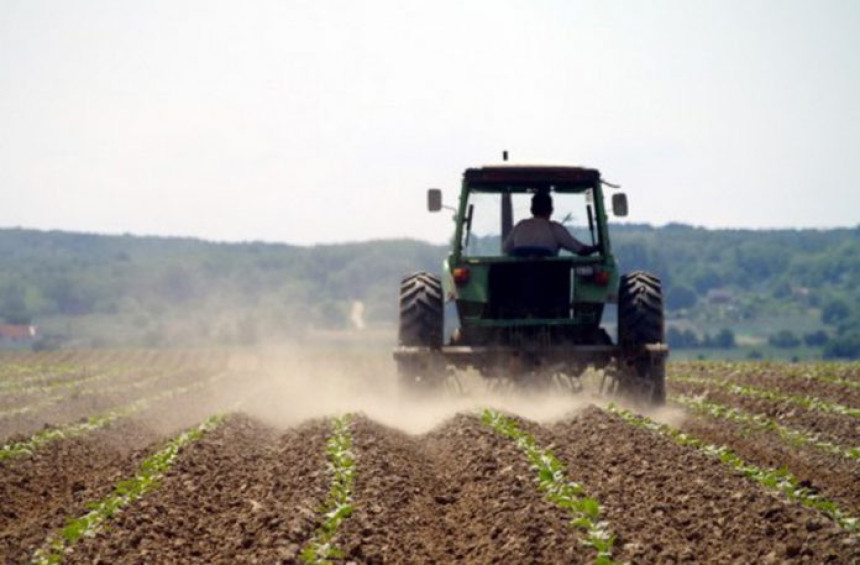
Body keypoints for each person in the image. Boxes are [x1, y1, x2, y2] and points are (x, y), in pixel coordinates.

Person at [502, 192, 598, 256]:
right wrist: (598, 247)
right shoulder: (555, 229)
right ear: (551, 210)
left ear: (531, 210)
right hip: (551, 281)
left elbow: (506, 249)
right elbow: (581, 250)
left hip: (519, 282)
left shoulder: (520, 226)